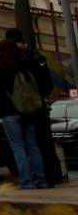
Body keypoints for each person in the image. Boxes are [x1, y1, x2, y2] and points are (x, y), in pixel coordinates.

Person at [0, 28, 47, 189]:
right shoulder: (25, 66)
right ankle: (41, 180)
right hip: (28, 111)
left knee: (18, 147)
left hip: (9, 113)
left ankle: (26, 181)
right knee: (32, 145)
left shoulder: (1, 69)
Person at [29, 50, 63, 187]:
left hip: (32, 108)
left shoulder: (24, 63)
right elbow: (48, 86)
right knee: (45, 144)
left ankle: (43, 176)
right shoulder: (38, 62)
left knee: (34, 144)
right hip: (40, 107)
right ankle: (53, 176)